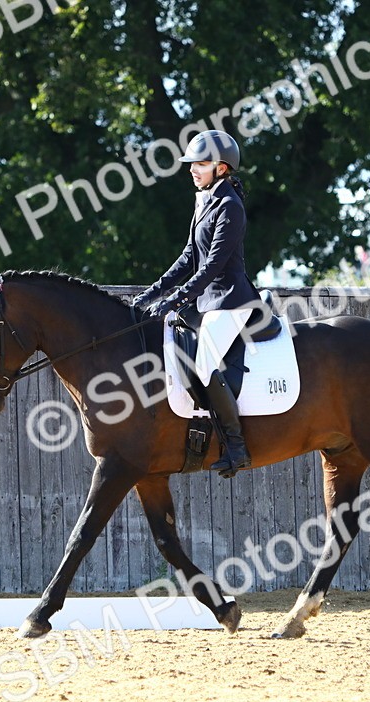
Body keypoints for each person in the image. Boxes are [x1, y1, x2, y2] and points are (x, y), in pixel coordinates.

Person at [132, 129, 261, 478]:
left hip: (230, 301)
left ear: (222, 168)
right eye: (192, 163)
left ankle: (236, 446)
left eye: (201, 164)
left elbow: (213, 265)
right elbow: (189, 257)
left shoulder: (230, 206)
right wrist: (152, 292)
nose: (192, 169)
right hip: (206, 302)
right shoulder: (204, 199)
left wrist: (175, 299)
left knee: (204, 366)